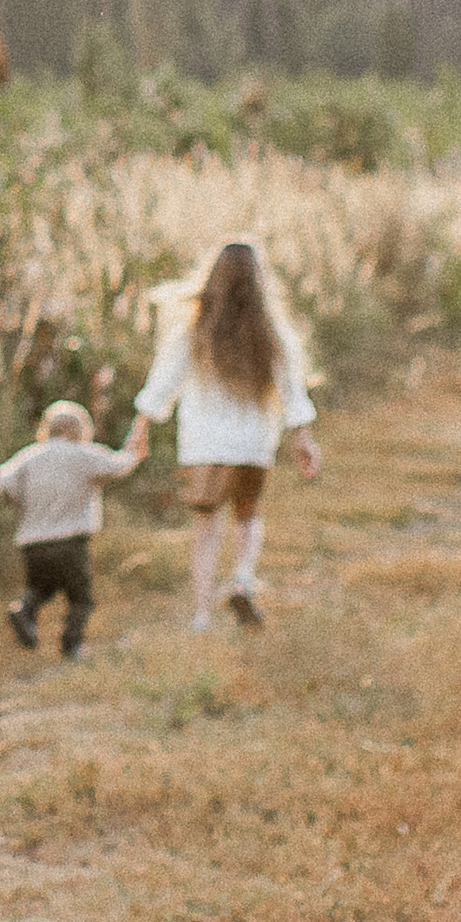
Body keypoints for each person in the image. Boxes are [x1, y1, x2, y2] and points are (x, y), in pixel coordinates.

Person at [129, 238, 319, 633]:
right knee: (247, 516)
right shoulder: (271, 331)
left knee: (206, 527)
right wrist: (303, 436)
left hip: (203, 444)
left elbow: (164, 380)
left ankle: (201, 615)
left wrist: (140, 427)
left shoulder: (194, 327)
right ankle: (242, 578)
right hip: (252, 445)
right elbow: (291, 389)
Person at [0, 398, 144, 659]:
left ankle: (23, 611)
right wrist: (134, 449)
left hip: (32, 543)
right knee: (81, 599)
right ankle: (71, 645)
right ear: (81, 429)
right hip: (70, 542)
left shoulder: (29, 456)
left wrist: (14, 499)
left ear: (46, 428)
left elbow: (2, 479)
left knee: (40, 589)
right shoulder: (83, 454)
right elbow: (119, 465)